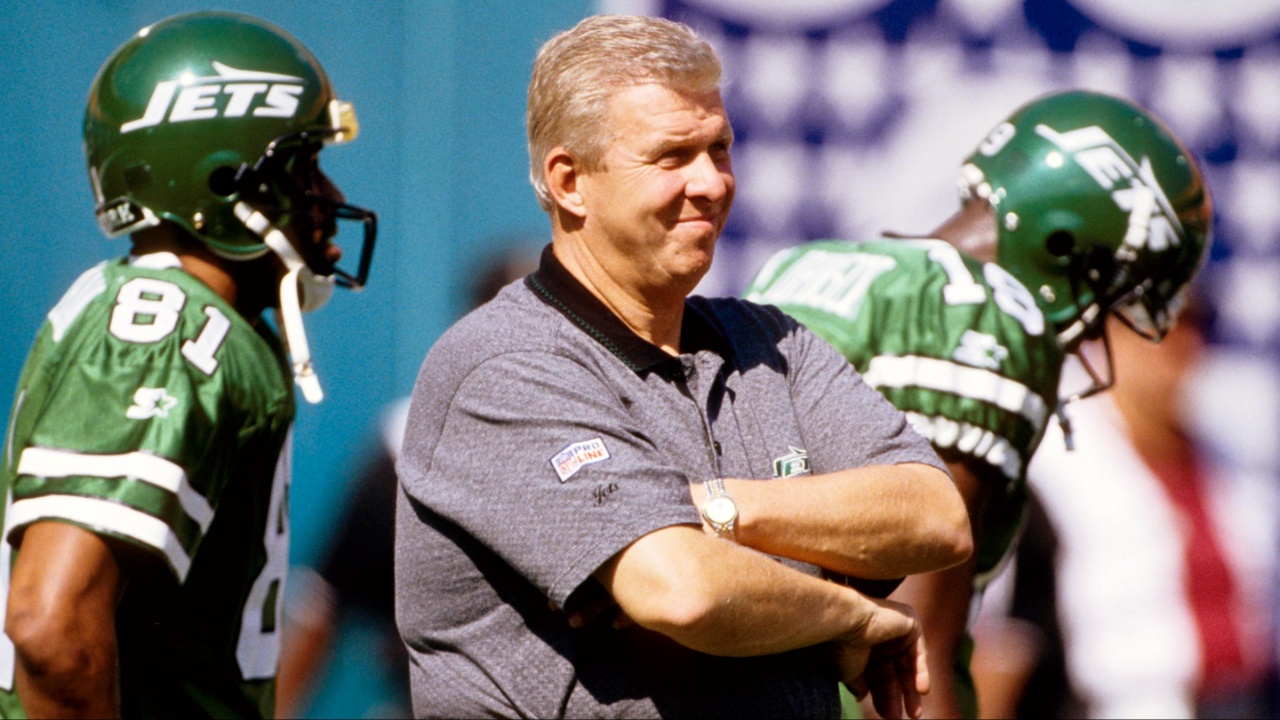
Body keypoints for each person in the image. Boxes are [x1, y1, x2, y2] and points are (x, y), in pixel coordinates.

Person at [394, 14, 971, 720]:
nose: (711, 183)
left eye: (720, 149)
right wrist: (851, 619)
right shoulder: (502, 366)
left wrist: (714, 509)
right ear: (570, 181)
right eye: (673, 156)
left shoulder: (769, 339)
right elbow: (681, 589)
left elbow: (936, 515)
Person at [742, 89, 1213, 718]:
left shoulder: (805, 267)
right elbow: (912, 656)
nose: (1096, 326)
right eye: (1109, 289)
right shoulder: (979, 317)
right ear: (1065, 242)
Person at [0, 11, 376, 718]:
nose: (325, 197)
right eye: (303, 167)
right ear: (225, 182)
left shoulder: (191, 322)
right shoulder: (166, 329)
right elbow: (52, 628)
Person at [991, 304, 1279, 719]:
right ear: (1101, 336)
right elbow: (1002, 640)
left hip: (1246, 699)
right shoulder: (1048, 462)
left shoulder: (1225, 453)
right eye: (1151, 329)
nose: (1174, 347)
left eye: (1189, 328)